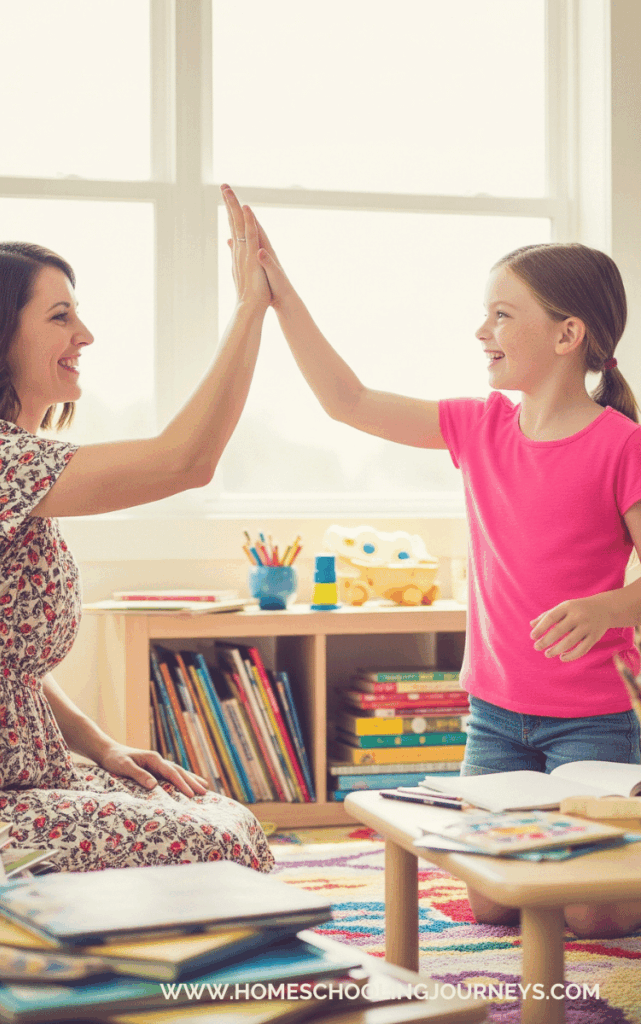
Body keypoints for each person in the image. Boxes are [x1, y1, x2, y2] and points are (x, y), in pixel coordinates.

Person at [232, 187, 641, 936]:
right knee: (491, 899)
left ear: (566, 334)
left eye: (501, 314)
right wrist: (278, 297)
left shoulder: (620, 444)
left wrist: (611, 608)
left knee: (587, 910)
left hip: (594, 722)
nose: (479, 329)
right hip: (494, 714)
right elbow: (346, 398)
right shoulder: (478, 426)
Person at [0, 186, 274, 874]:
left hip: (17, 775)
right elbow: (186, 459)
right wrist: (252, 307)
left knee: (221, 821)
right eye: (60, 315)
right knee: (222, 847)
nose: (85, 335)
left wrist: (100, 745)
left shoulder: (1, 458)